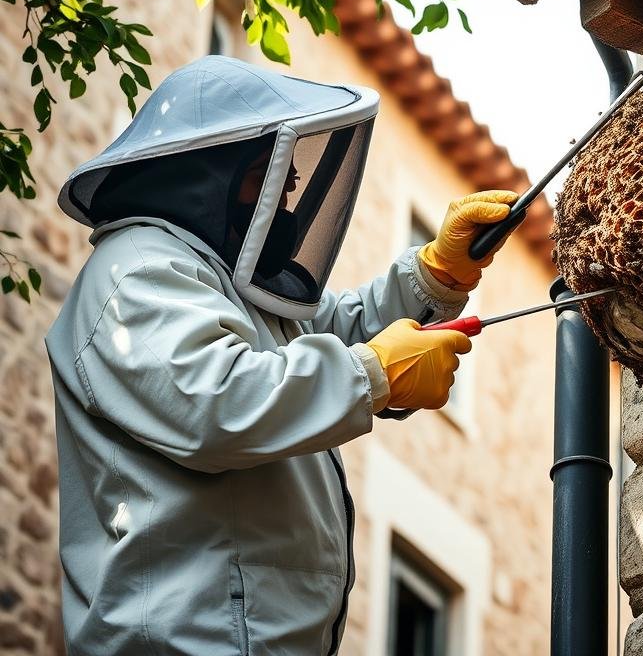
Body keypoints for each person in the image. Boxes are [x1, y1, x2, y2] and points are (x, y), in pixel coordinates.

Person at [44, 56, 517, 654]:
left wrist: (430, 278)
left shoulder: (224, 288)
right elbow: (217, 401)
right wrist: (373, 372)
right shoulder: (137, 271)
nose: (290, 189)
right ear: (207, 172)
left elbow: (331, 334)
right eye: (268, 173)